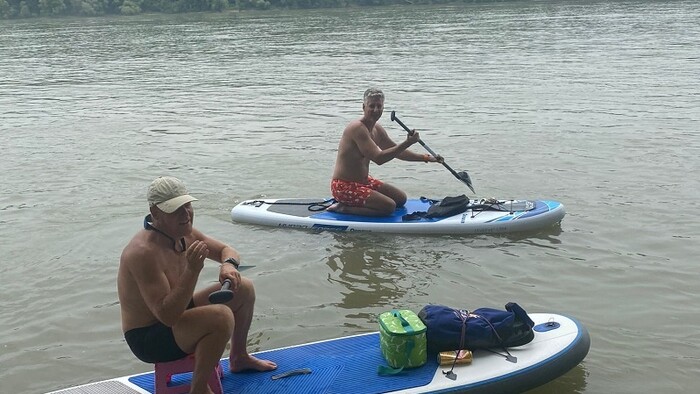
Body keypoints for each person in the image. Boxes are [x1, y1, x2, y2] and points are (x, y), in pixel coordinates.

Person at [118, 176, 276, 394]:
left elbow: (226, 250)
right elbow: (167, 316)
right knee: (220, 317)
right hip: (148, 337)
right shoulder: (142, 253)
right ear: (155, 213)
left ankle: (239, 357)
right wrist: (193, 270)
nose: (186, 214)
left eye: (187, 205)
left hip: (175, 314)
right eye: (176, 210)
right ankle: (199, 388)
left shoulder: (185, 234)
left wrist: (228, 265)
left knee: (244, 288)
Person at [330, 87, 443, 216]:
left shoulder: (377, 129)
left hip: (364, 182)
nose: (376, 110)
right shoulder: (357, 129)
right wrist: (407, 142)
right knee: (389, 207)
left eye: (379, 106)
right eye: (371, 106)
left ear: (383, 107)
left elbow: (397, 152)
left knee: (401, 199)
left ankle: (356, 203)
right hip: (344, 186)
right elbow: (379, 159)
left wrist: (426, 158)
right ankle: (343, 208)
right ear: (363, 107)